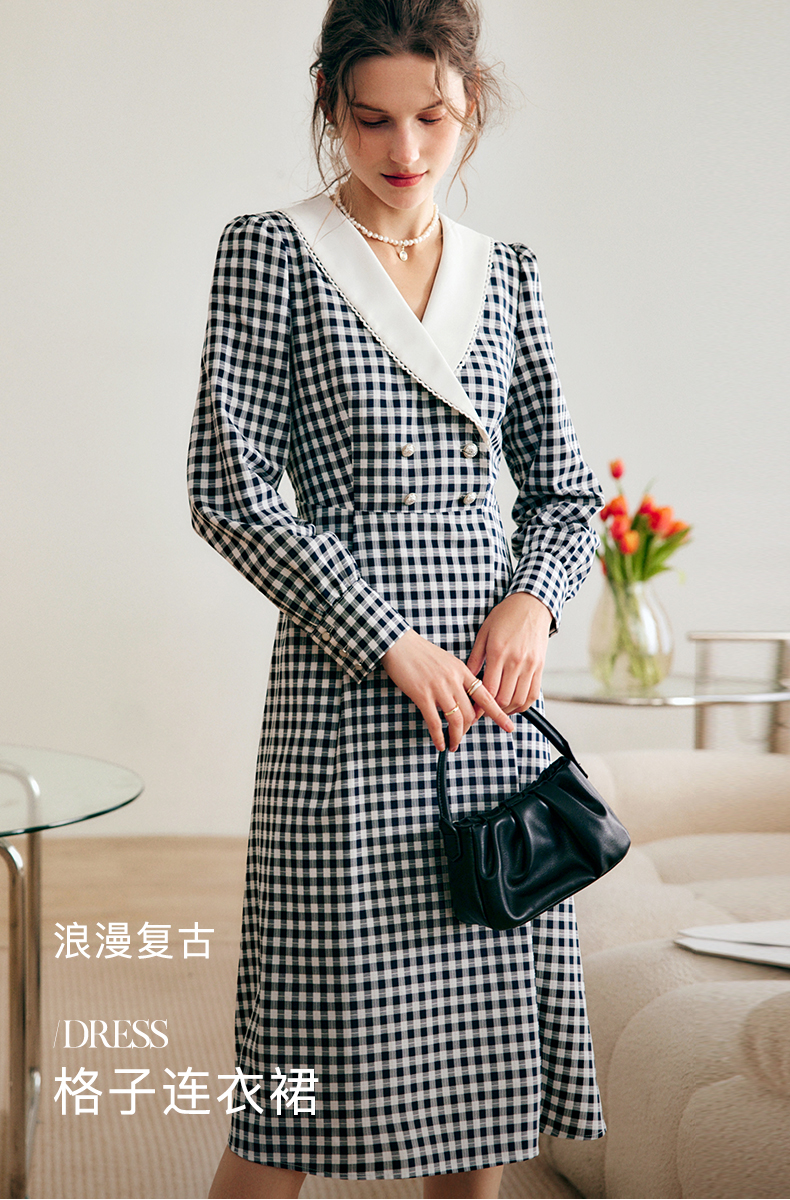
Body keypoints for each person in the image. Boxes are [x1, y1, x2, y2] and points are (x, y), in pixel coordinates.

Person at [188, 2, 606, 1196]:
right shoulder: (273, 252)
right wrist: (384, 639)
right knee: (295, 1067)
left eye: (432, 117)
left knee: (481, 1083)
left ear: (471, 104)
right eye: (370, 119)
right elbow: (229, 491)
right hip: (347, 684)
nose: (404, 149)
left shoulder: (504, 274)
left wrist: (532, 602)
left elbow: (565, 491)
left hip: (485, 698)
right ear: (329, 105)